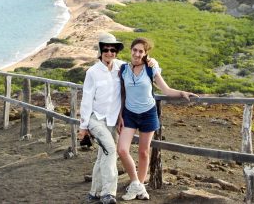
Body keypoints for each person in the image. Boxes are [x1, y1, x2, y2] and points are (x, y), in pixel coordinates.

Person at [79, 33, 157, 204]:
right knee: (111, 150)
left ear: (116, 51)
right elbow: (86, 100)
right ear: (100, 51)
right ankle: (108, 193)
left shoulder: (121, 68)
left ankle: (94, 192)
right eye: (105, 49)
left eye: (112, 49)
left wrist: (151, 61)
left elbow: (140, 61)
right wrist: (83, 126)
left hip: (112, 122)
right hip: (96, 120)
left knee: (103, 155)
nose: (109, 52)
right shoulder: (92, 72)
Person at [117, 37, 199, 201]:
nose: (137, 54)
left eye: (141, 51)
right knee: (122, 150)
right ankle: (136, 184)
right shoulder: (124, 69)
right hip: (129, 114)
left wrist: (182, 93)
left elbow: (166, 90)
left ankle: (139, 187)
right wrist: (120, 115)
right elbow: (122, 94)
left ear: (146, 53)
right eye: (135, 50)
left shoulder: (151, 69)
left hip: (148, 114)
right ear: (130, 50)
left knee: (143, 152)